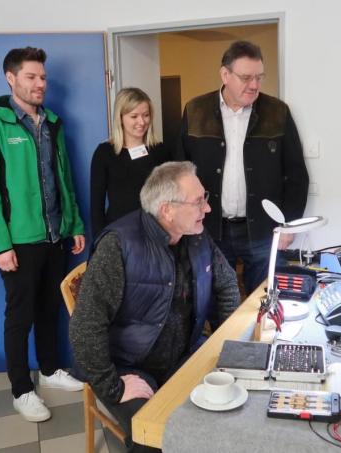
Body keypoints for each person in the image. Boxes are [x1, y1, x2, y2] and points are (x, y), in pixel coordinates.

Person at [69, 161, 240, 452]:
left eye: (205, 198)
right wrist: (114, 385)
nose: (207, 209)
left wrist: (230, 348)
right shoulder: (119, 245)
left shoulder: (197, 236)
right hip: (131, 365)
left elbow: (226, 287)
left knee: (234, 407)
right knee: (151, 438)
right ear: (167, 210)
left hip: (184, 352)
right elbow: (85, 326)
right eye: (198, 202)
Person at [0, 47, 86, 423]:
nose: (40, 84)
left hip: (55, 237)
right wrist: (0, 246)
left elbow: (64, 178)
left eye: (43, 77)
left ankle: (50, 370)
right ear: (11, 78)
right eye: (32, 77)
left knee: (51, 309)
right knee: (19, 316)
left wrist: (75, 224)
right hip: (18, 242)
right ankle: (22, 389)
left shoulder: (52, 122)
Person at [174, 40, 309, 295]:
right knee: (212, 300)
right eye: (246, 77)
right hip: (210, 227)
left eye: (259, 77)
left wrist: (289, 225)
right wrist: (184, 220)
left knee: (267, 300)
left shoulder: (277, 112)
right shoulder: (195, 111)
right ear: (225, 75)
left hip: (263, 230)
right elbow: (180, 172)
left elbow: (296, 175)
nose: (255, 85)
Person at [90, 87, 170, 238]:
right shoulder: (105, 153)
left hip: (155, 233)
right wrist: (99, 243)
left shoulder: (161, 151)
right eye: (134, 116)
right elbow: (96, 207)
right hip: (120, 234)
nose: (141, 122)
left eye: (146, 115)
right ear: (120, 117)